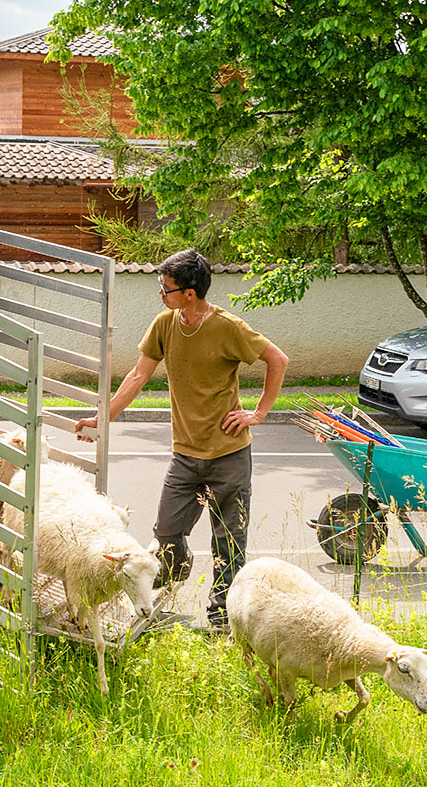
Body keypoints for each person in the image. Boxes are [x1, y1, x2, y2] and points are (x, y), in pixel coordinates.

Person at [75, 248, 289, 630]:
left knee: (229, 544)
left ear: (190, 292)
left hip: (229, 454)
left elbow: (278, 359)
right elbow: (137, 377)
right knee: (167, 533)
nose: (162, 294)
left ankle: (221, 617)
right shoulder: (165, 324)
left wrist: (257, 414)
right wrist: (101, 419)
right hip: (186, 455)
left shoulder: (229, 327)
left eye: (166, 288)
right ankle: (177, 568)